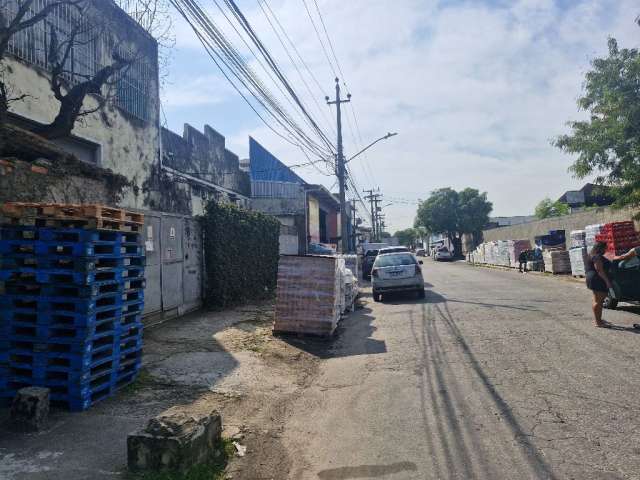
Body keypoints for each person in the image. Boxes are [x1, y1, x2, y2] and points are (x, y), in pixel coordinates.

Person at [585, 241, 614, 328]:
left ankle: (598, 320)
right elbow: (599, 270)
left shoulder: (592, 254)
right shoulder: (597, 256)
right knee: (598, 301)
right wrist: (607, 282)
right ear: (601, 248)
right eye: (605, 248)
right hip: (597, 279)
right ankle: (598, 322)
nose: (606, 250)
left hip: (593, 278)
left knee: (598, 300)